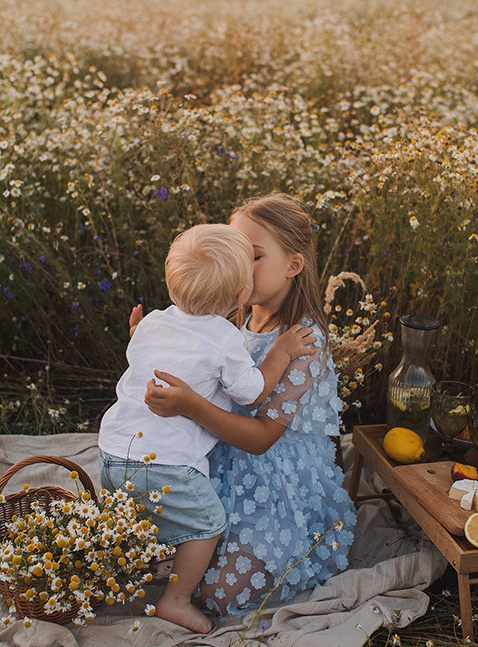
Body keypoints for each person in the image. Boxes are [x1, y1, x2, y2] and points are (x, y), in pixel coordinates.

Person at [145, 194, 357, 618]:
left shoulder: (304, 343)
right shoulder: (234, 314)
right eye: (234, 253)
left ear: (293, 265)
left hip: (274, 482)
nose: (238, 268)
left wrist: (189, 406)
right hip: (217, 457)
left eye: (254, 256)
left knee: (218, 595)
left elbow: (261, 438)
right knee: (159, 558)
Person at [99, 223, 314, 634]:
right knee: (207, 525)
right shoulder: (223, 337)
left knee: (133, 517)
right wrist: (283, 351)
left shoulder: (154, 322)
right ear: (240, 296)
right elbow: (252, 392)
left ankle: (113, 575)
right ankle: (175, 601)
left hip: (113, 449)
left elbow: (143, 355)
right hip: (165, 462)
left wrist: (138, 333)